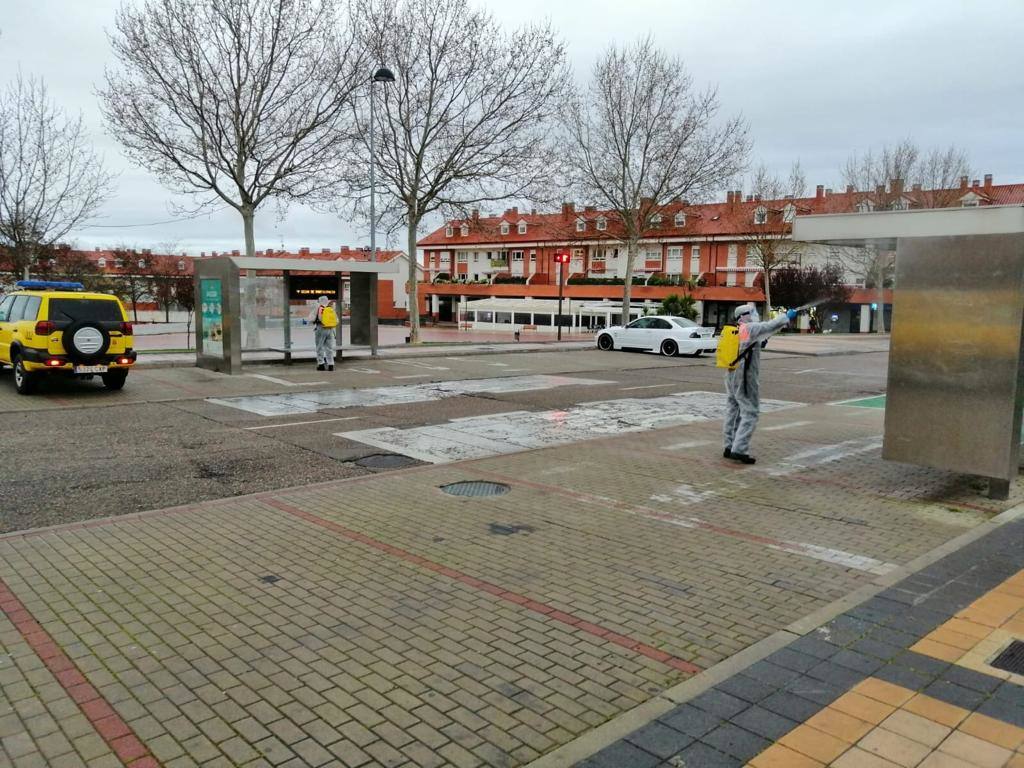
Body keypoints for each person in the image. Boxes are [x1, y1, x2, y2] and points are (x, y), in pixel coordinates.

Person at [723, 302, 797, 464]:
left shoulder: (736, 329)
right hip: (745, 376)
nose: (755, 314)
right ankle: (740, 449)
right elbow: (769, 325)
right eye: (752, 312)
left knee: (732, 409)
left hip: (731, 374)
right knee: (751, 412)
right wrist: (786, 316)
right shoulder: (750, 328)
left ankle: (729, 445)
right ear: (744, 316)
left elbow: (763, 333)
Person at [308, 296, 337, 371]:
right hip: (330, 329)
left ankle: (321, 364)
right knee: (329, 348)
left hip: (321, 328)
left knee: (319, 347)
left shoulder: (318, 307)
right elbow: (336, 320)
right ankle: (331, 365)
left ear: (319, 300)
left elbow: (311, 319)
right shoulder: (331, 308)